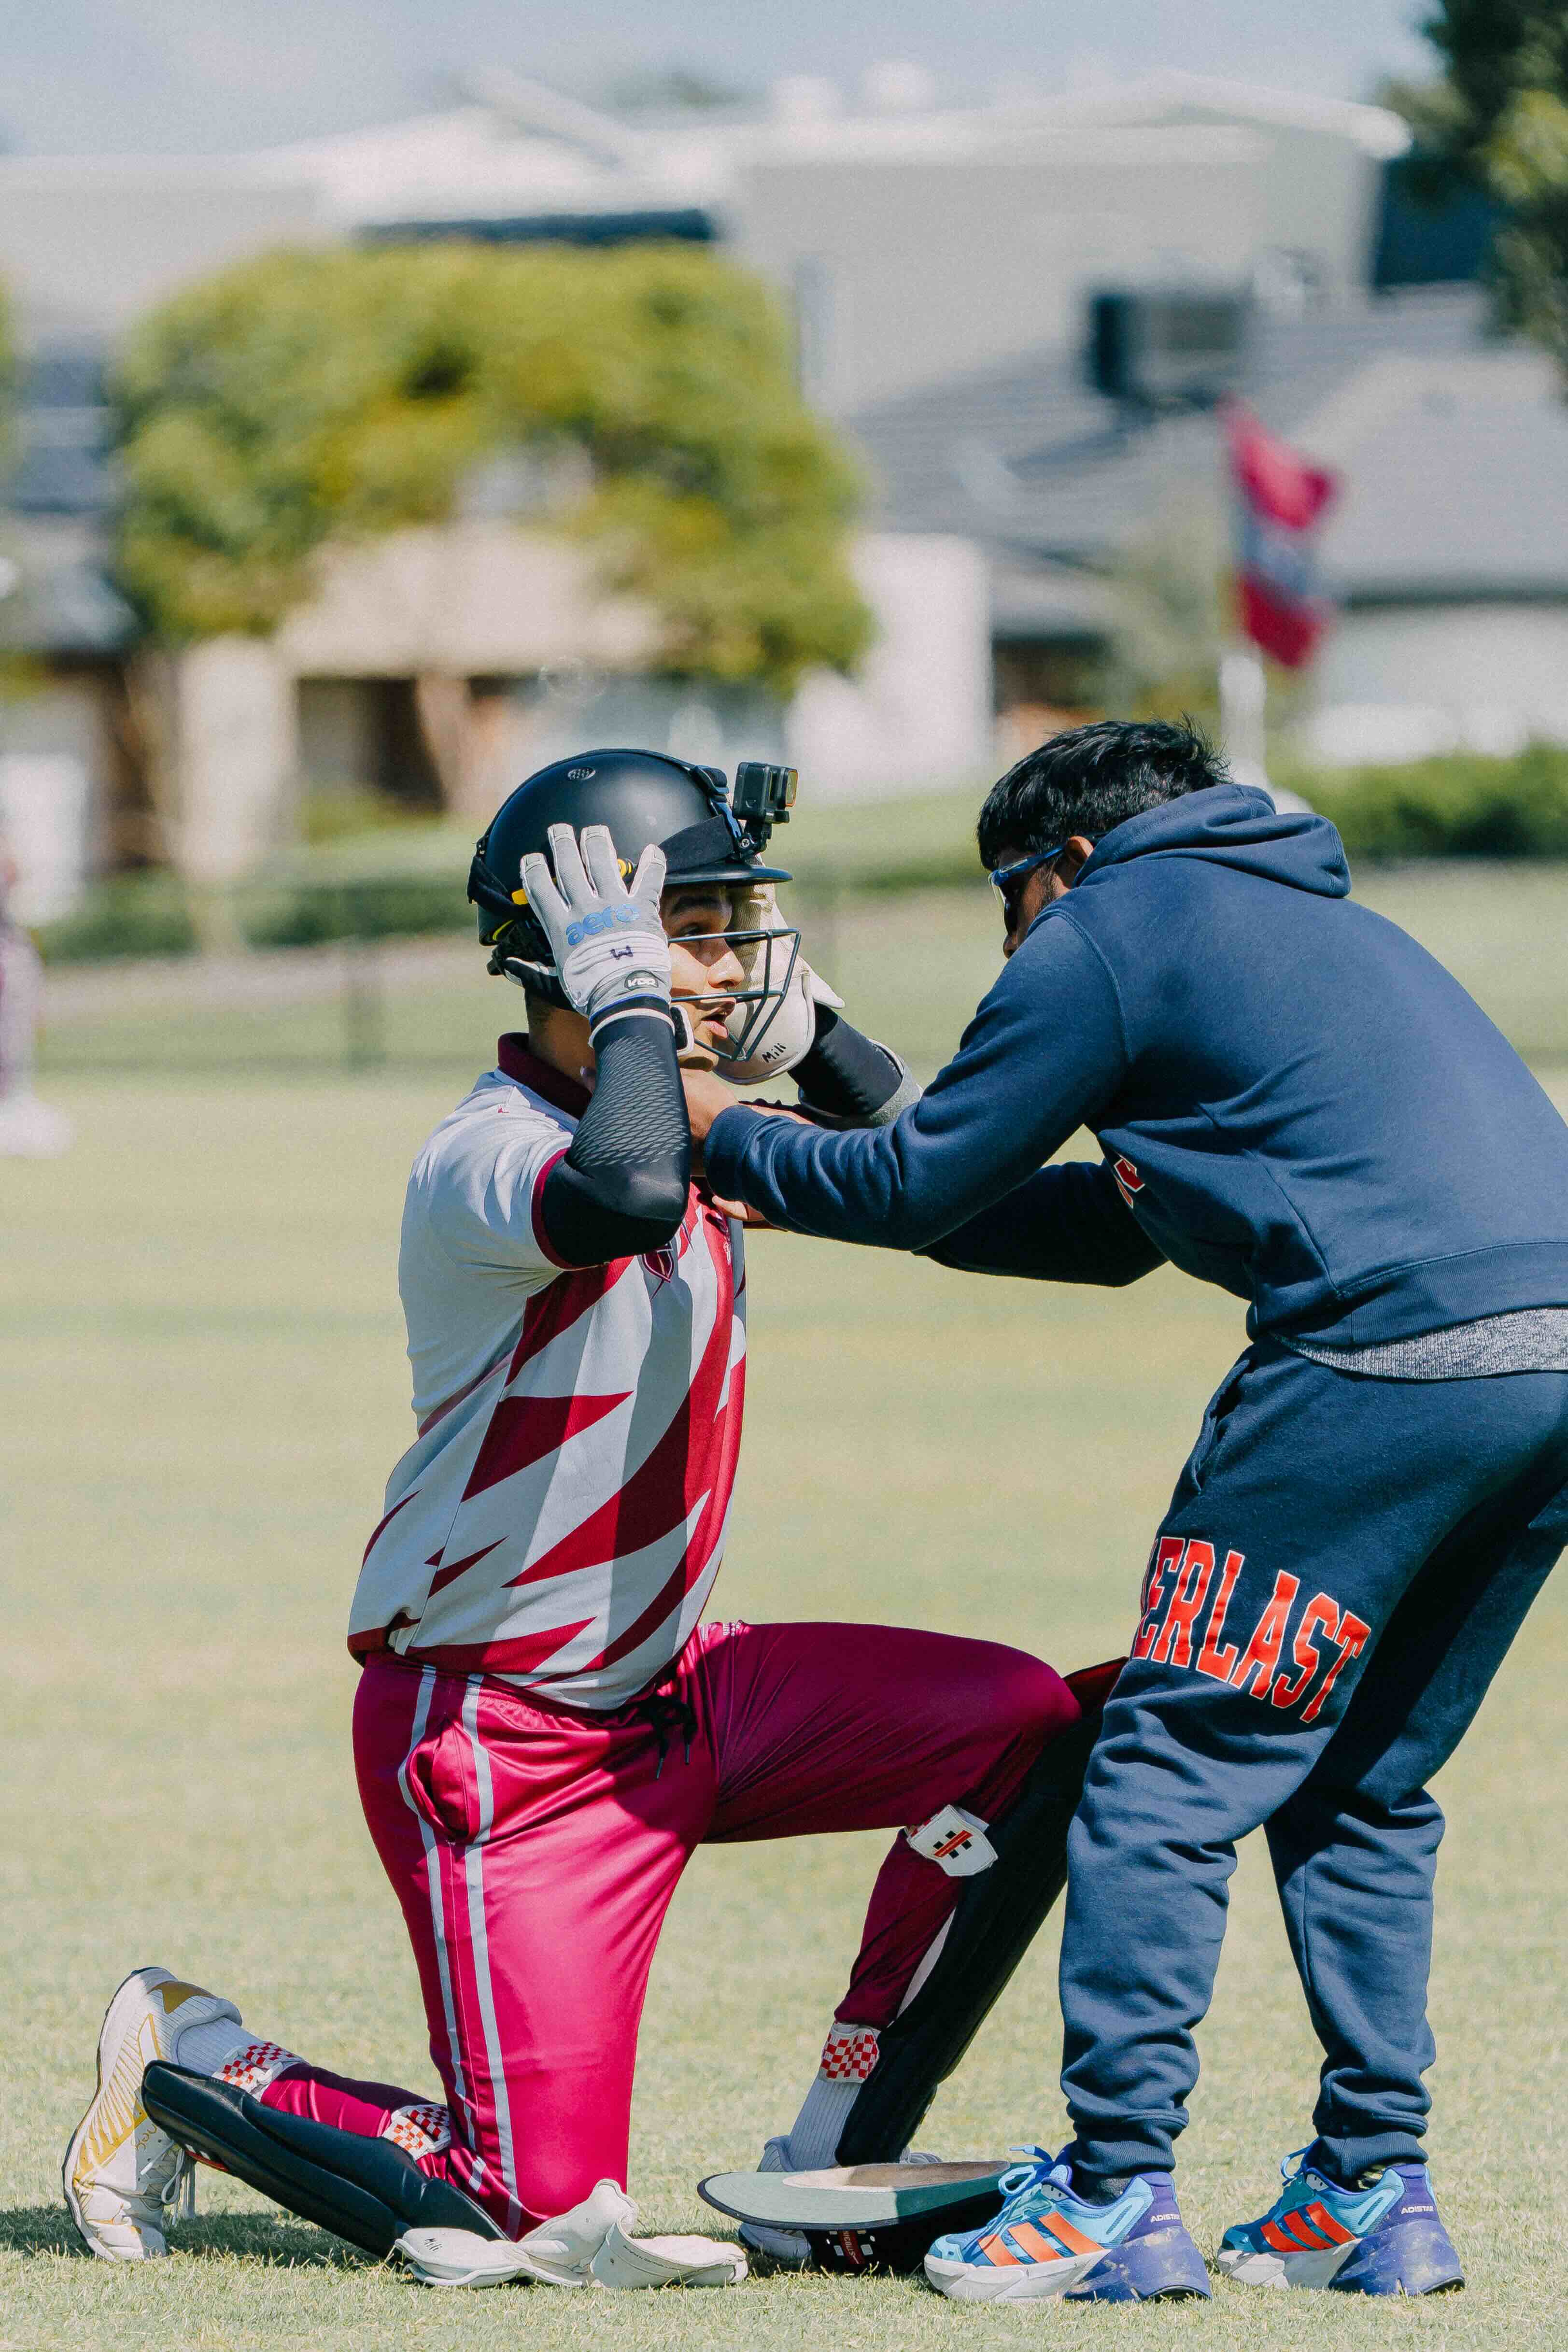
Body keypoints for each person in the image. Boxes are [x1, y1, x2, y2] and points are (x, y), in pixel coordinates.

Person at [64, 750, 1102, 2286]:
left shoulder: (686, 1113)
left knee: (1023, 1722)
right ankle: (191, 2054)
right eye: (688, 923)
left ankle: (833, 2154)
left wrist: (826, 1051)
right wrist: (633, 1005)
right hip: (507, 1733)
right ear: (576, 948)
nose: (731, 962)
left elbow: (989, 1208)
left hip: (684, 1688)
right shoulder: (485, 1155)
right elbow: (618, 1189)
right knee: (523, 2212)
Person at [682, 718, 1568, 2305]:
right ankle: (1372, 2191)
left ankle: (1113, 2192)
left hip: (1382, 1360)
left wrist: (717, 1131)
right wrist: (824, 1080)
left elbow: (914, 1183)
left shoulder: (1108, 923)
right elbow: (1100, 1229)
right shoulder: (1305, 913)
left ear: (1059, 864)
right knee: (1358, 1780)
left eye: (1006, 908)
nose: (1017, 947)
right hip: (1550, 1365)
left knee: (1164, 1764)